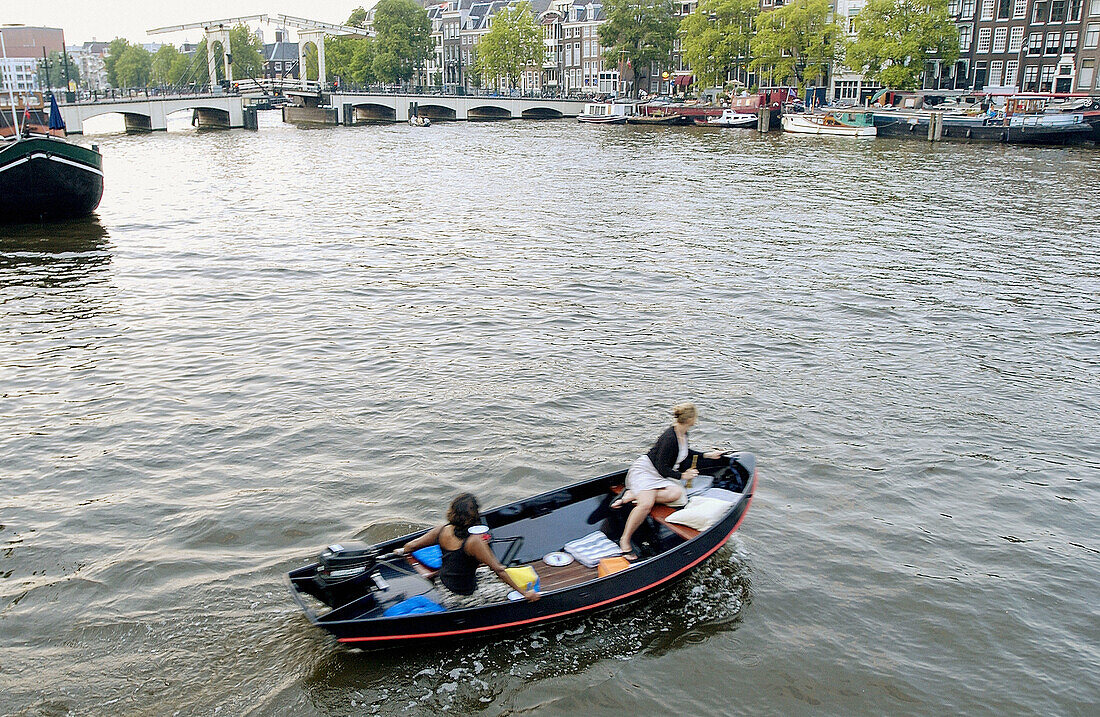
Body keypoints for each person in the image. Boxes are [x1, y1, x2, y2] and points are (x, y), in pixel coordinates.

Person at [611, 403, 726, 561]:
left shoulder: (683, 434)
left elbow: (686, 454)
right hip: (646, 471)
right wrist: (682, 476)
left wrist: (708, 455)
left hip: (658, 475)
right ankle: (625, 540)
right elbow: (661, 467)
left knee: (677, 494)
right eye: (695, 417)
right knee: (646, 505)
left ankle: (633, 494)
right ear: (690, 419)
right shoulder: (669, 438)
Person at [395, 493, 539, 608]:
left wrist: (405, 555)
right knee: (508, 590)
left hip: (442, 583)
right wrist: (525, 594)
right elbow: (499, 570)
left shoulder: (442, 529)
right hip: (459, 597)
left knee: (488, 574)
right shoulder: (474, 542)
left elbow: (410, 547)